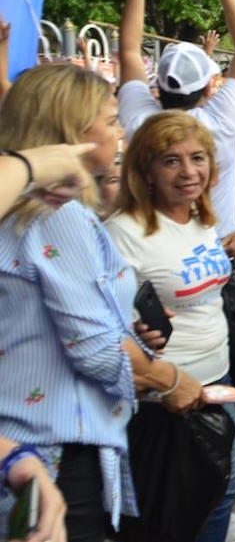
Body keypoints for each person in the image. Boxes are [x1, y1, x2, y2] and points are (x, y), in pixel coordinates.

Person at [0, 65, 199, 542]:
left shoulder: (22, 206)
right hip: (54, 456)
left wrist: (127, 329)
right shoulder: (56, 214)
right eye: (110, 120)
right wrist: (168, 379)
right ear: (72, 131)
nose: (121, 130)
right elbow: (93, 347)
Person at [105, 111, 235, 542]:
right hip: (165, 397)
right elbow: (105, 326)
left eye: (197, 158)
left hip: (217, 378)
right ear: (146, 170)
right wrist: (135, 333)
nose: (189, 172)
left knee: (225, 485)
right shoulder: (122, 233)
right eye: (171, 160)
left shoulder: (201, 219)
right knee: (174, 508)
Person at [115, 0, 235, 242]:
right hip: (220, 254)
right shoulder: (223, 121)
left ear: (158, 85)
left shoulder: (141, 124)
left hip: (152, 258)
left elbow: (127, 50)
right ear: (209, 87)